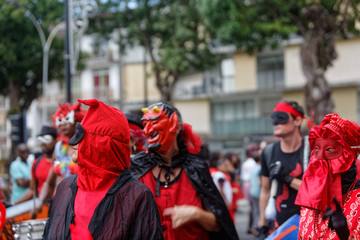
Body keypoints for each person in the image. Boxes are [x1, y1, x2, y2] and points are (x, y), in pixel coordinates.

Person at [43, 99, 163, 239]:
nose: (73, 142)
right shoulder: (65, 187)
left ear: (101, 144)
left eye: (81, 135)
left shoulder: (137, 196)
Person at [130, 102, 239, 240]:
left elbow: (218, 225)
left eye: (154, 122)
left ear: (176, 126)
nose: (147, 130)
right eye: (145, 124)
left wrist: (196, 214)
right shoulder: (137, 167)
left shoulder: (195, 167)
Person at [296, 113, 360, 239]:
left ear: (350, 155)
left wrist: (344, 234)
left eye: (330, 149)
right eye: (317, 149)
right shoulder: (310, 201)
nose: (320, 158)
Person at [257, 100, 309, 239]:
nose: (275, 123)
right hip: (278, 227)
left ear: (297, 121)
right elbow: (265, 190)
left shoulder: (312, 150)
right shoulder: (268, 153)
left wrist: (287, 178)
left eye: (281, 118)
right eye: (273, 119)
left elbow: (318, 192)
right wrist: (262, 222)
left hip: (308, 226)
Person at [36, 103, 85, 211]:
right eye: (61, 120)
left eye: (67, 120)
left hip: (80, 205)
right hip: (60, 204)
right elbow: (49, 182)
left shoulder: (85, 146)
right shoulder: (59, 148)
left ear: (78, 121)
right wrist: (40, 202)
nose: (63, 124)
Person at [14, 126, 57, 205]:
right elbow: (32, 190)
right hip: (42, 209)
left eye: (47, 139)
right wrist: (14, 204)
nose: (43, 143)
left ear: (56, 140)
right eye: (41, 139)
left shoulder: (63, 162)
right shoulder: (36, 162)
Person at [241, 144, 259, 234]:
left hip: (246, 184)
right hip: (252, 184)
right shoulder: (254, 164)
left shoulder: (245, 162)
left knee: (252, 207)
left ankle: (251, 226)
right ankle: (253, 227)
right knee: (254, 207)